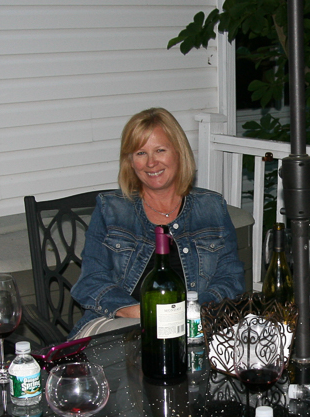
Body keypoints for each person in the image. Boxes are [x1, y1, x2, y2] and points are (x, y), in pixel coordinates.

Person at [69, 107, 244, 336]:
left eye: (160, 150)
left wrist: (190, 313)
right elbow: (91, 280)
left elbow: (230, 278)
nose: (151, 163)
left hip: (194, 324)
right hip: (122, 324)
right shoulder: (110, 209)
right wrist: (145, 313)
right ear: (130, 161)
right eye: (141, 153)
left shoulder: (211, 207)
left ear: (178, 152)